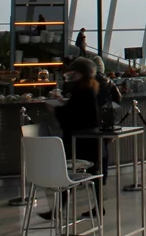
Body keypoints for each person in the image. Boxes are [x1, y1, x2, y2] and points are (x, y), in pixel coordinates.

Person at [40, 57, 104, 220]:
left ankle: (58, 209)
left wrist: (55, 109)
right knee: (93, 173)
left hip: (79, 140)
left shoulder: (82, 91)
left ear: (80, 73)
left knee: (66, 172)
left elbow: (72, 115)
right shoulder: (90, 88)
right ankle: (98, 207)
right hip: (91, 140)